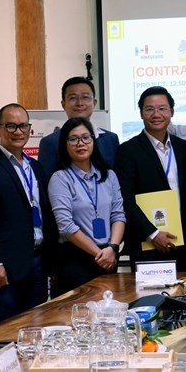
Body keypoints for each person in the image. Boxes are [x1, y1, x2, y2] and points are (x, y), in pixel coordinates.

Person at [0, 103, 55, 323]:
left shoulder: (36, 167)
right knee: (3, 330)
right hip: (5, 268)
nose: (18, 131)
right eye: (11, 126)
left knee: (36, 326)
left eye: (23, 126)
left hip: (37, 262)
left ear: (30, 130)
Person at [114, 86, 186, 272]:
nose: (156, 114)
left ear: (172, 112)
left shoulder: (182, 147)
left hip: (182, 242)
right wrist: (152, 233)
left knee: (183, 289)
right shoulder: (128, 150)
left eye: (162, 108)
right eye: (149, 109)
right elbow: (126, 198)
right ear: (141, 113)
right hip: (147, 244)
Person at [48, 117, 125, 296]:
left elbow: (118, 215)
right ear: (65, 144)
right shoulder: (60, 179)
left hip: (109, 254)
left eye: (85, 137)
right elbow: (66, 226)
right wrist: (100, 254)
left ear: (93, 141)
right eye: (73, 139)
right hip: (76, 259)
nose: (80, 143)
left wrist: (113, 248)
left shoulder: (109, 176)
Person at [38, 76, 119, 176]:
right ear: (63, 104)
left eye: (85, 97)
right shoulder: (50, 143)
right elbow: (46, 180)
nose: (80, 103)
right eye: (73, 98)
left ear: (94, 103)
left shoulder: (111, 139)